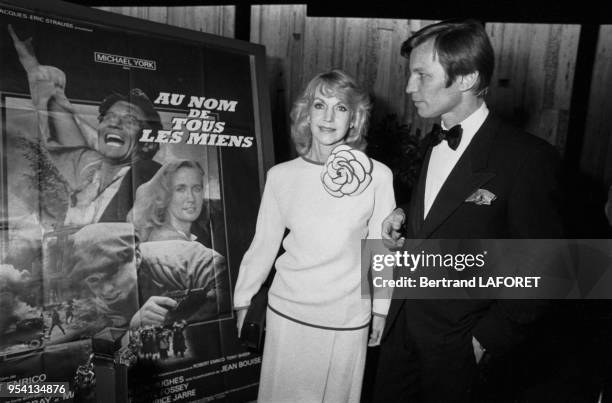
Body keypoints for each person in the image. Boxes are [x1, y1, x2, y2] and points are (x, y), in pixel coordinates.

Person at [374, 20, 564, 402]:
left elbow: (547, 267)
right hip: (400, 338)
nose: (409, 87)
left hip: (458, 355)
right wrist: (407, 213)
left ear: (466, 78)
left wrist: (482, 342)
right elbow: (450, 207)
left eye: (421, 75)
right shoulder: (435, 137)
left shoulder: (528, 159)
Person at [233, 69, 396, 402]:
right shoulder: (281, 176)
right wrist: (243, 301)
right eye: (320, 105)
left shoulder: (378, 176)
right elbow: (263, 246)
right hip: (287, 315)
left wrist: (380, 310)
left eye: (340, 108)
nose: (328, 116)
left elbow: (379, 251)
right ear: (307, 112)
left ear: (355, 118)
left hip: (346, 320)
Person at [9, 25, 162, 227]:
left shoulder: (154, 179)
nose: (115, 123)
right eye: (110, 116)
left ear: (147, 143)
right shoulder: (89, 167)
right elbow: (62, 116)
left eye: (130, 120)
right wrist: (31, 64)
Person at [128, 160, 229, 328]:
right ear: (164, 196)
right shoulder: (171, 248)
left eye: (196, 188)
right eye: (180, 189)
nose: (191, 198)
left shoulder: (198, 237)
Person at [67, 223, 140, 328]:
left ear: (137, 258)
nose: (106, 290)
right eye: (93, 280)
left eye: (112, 275)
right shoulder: (98, 306)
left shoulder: (166, 269)